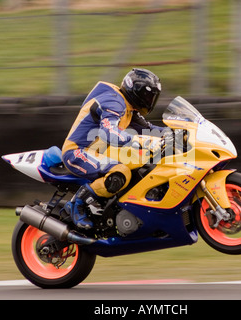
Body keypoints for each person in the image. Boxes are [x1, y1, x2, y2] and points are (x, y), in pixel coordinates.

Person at [62, 68, 164, 229]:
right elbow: (108, 132)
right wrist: (137, 140)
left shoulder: (128, 108)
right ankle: (76, 203)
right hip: (77, 151)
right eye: (147, 95)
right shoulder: (114, 102)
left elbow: (151, 129)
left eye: (152, 97)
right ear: (135, 90)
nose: (149, 100)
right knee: (120, 172)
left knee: (140, 163)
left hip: (96, 152)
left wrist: (181, 133)